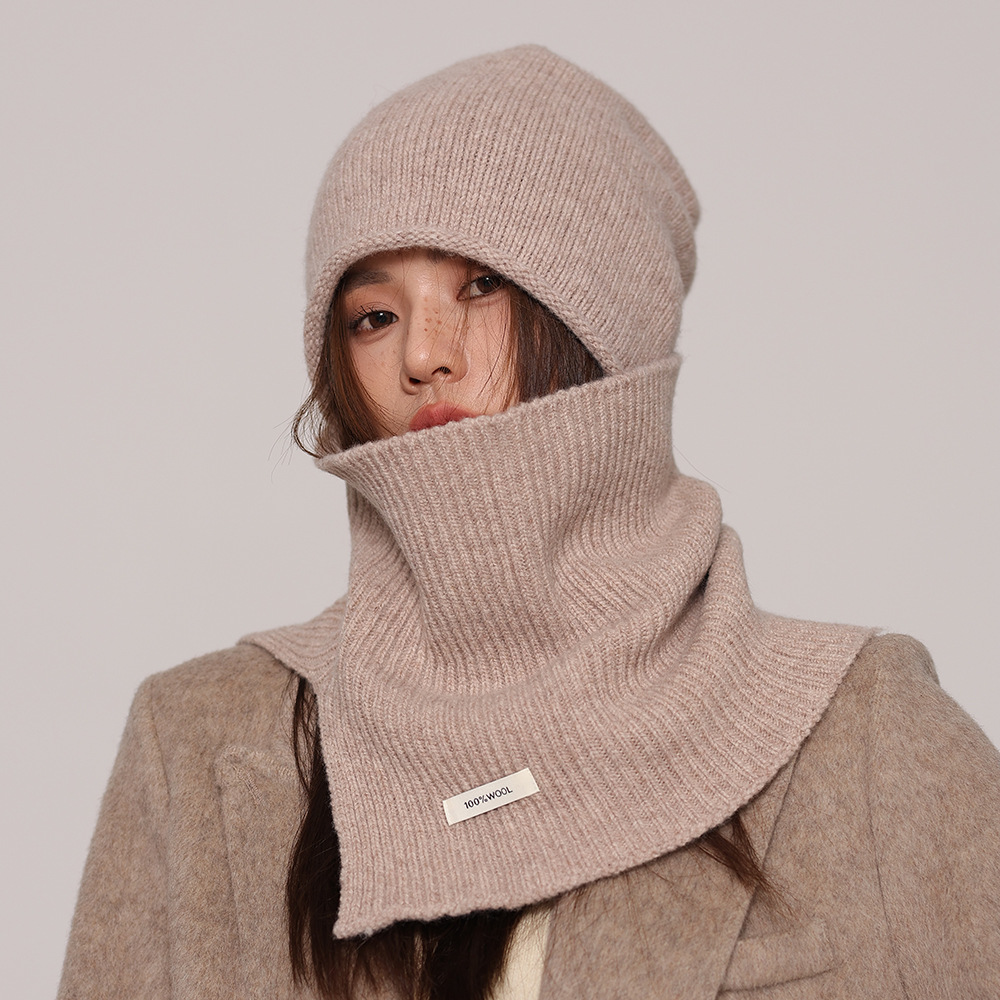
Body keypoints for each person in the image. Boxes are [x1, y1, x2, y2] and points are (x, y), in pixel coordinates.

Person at [57, 45, 1000, 1000]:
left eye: (481, 285)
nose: (424, 354)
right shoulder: (198, 746)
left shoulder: (869, 733)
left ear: (609, 312)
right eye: (374, 316)